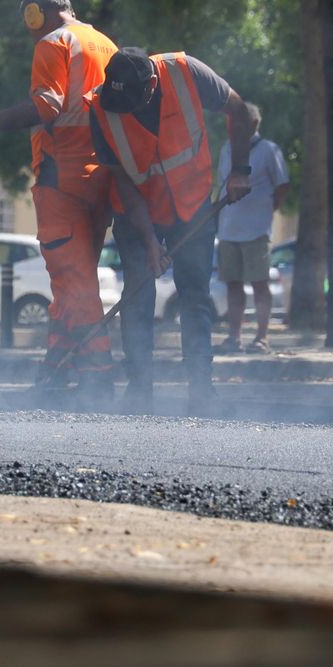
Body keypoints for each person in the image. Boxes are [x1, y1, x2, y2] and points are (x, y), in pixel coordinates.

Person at [0, 0, 119, 396]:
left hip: (63, 180)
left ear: (37, 13)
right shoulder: (105, 44)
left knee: (74, 282)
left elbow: (48, 106)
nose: (28, 30)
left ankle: (98, 376)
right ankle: (55, 370)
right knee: (71, 282)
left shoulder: (52, 43)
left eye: (29, 20)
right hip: (102, 179)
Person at [84, 47, 255, 412]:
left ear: (150, 86)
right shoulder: (101, 108)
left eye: (130, 100)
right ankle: (140, 389)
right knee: (138, 295)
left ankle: (200, 388)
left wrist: (241, 170)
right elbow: (124, 181)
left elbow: (242, 111)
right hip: (135, 213)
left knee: (194, 295)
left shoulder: (185, 72)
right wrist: (149, 242)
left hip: (191, 207)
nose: (123, 108)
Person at [213, 106, 289, 354]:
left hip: (256, 230)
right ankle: (234, 337)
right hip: (228, 230)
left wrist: (265, 210)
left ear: (254, 124)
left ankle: (262, 337)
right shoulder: (227, 149)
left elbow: (282, 186)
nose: (234, 127)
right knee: (233, 284)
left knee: (259, 283)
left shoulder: (269, 150)